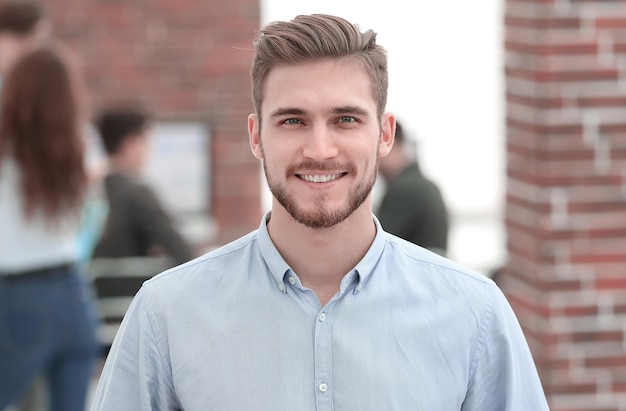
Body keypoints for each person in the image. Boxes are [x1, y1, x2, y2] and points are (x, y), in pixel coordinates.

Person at [90, 14, 549, 410]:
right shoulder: (165, 315)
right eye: (293, 120)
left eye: (346, 119)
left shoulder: (475, 314)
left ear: (385, 134)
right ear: (255, 136)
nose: (320, 149)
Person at [0, 42, 100, 411]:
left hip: (17, 298)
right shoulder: (83, 145)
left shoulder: (6, 148)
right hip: (75, 295)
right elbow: (90, 219)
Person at [91, 104, 194, 266]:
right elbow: (180, 250)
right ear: (130, 144)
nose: (149, 148)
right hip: (128, 289)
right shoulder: (137, 194)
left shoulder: (91, 191)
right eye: (146, 141)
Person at [376, 120, 449, 255]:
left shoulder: (406, 189)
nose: (375, 158)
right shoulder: (422, 185)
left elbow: (376, 246)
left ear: (393, 143)